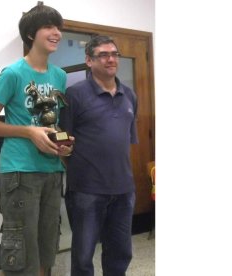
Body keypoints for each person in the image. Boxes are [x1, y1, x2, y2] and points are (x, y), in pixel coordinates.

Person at [0, 4, 73, 276]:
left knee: (47, 247)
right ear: (31, 34)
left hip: (53, 170)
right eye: (49, 27)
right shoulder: (13, 73)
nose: (56, 33)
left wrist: (63, 142)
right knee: (20, 250)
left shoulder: (60, 76)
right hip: (19, 172)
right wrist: (28, 131)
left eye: (58, 28)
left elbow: (52, 123)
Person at [59, 35, 138, 276]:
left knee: (120, 253)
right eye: (103, 55)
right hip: (86, 190)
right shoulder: (74, 95)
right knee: (83, 257)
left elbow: (127, 141)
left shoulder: (130, 95)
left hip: (123, 190)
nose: (111, 59)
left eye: (114, 54)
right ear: (89, 61)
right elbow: (64, 142)